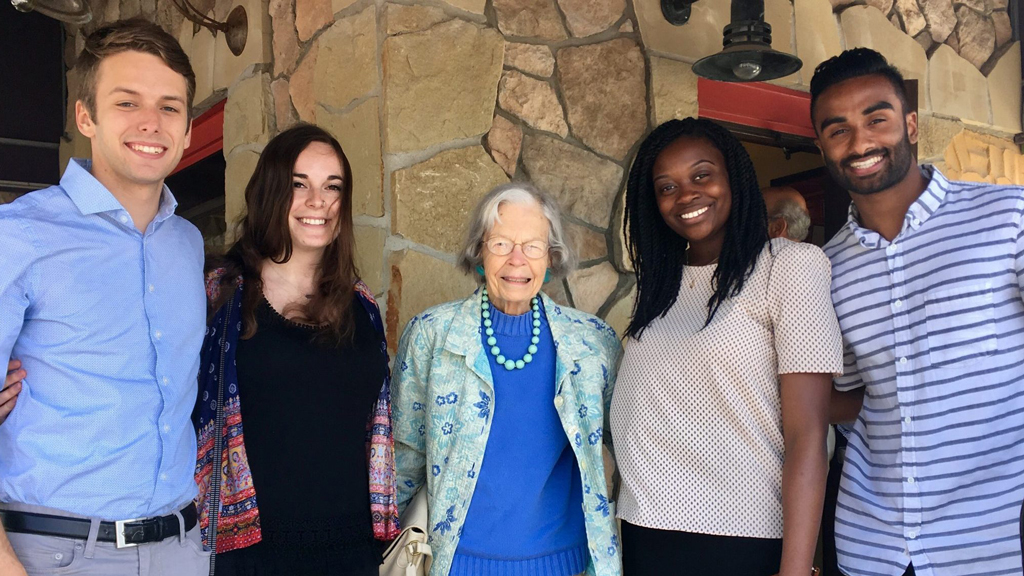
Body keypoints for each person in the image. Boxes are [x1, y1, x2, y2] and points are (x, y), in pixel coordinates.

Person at [0, 18, 209, 576]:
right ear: (85, 116)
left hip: (180, 548)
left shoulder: (188, 245)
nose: (151, 123)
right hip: (53, 552)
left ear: (189, 130)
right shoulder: (18, 236)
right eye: (127, 102)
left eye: (170, 106)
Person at [812, 48, 1024, 576]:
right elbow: (852, 397)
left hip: (995, 540)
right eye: (837, 130)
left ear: (909, 124)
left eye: (876, 119)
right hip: (874, 546)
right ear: (821, 145)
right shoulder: (824, 268)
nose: (859, 142)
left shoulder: (1009, 216)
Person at [611, 118, 843, 576]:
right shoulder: (659, 284)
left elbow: (808, 434)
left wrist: (795, 568)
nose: (686, 195)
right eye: (666, 187)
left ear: (733, 177)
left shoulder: (790, 265)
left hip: (740, 534)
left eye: (701, 175)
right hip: (644, 525)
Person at [194, 123, 397, 576]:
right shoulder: (219, 296)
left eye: (332, 187)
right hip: (248, 555)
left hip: (350, 552)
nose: (317, 202)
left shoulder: (362, 306)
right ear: (271, 192)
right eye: (298, 185)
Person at [391, 183, 622, 576]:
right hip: (455, 564)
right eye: (501, 244)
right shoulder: (431, 334)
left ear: (551, 257)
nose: (517, 260)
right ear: (479, 251)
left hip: (562, 565)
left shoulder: (592, 343)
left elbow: (628, 444)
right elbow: (403, 455)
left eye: (533, 246)